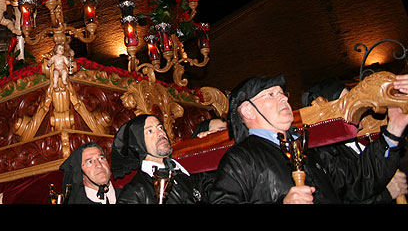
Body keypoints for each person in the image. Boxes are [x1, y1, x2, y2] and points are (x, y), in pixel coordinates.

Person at [209, 74, 408, 204]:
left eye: (282, 93)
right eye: (271, 94)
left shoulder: (309, 147)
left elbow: (356, 181)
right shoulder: (240, 158)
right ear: (248, 110)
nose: (284, 98)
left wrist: (393, 130)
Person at [301, 78, 407, 204]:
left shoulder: (366, 139)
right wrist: (385, 195)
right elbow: (350, 192)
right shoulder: (326, 155)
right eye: (347, 102)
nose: (358, 107)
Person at [111, 114, 212, 204]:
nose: (160, 133)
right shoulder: (135, 191)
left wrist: (210, 143)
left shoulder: (188, 171)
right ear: (138, 142)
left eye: (160, 127)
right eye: (150, 131)